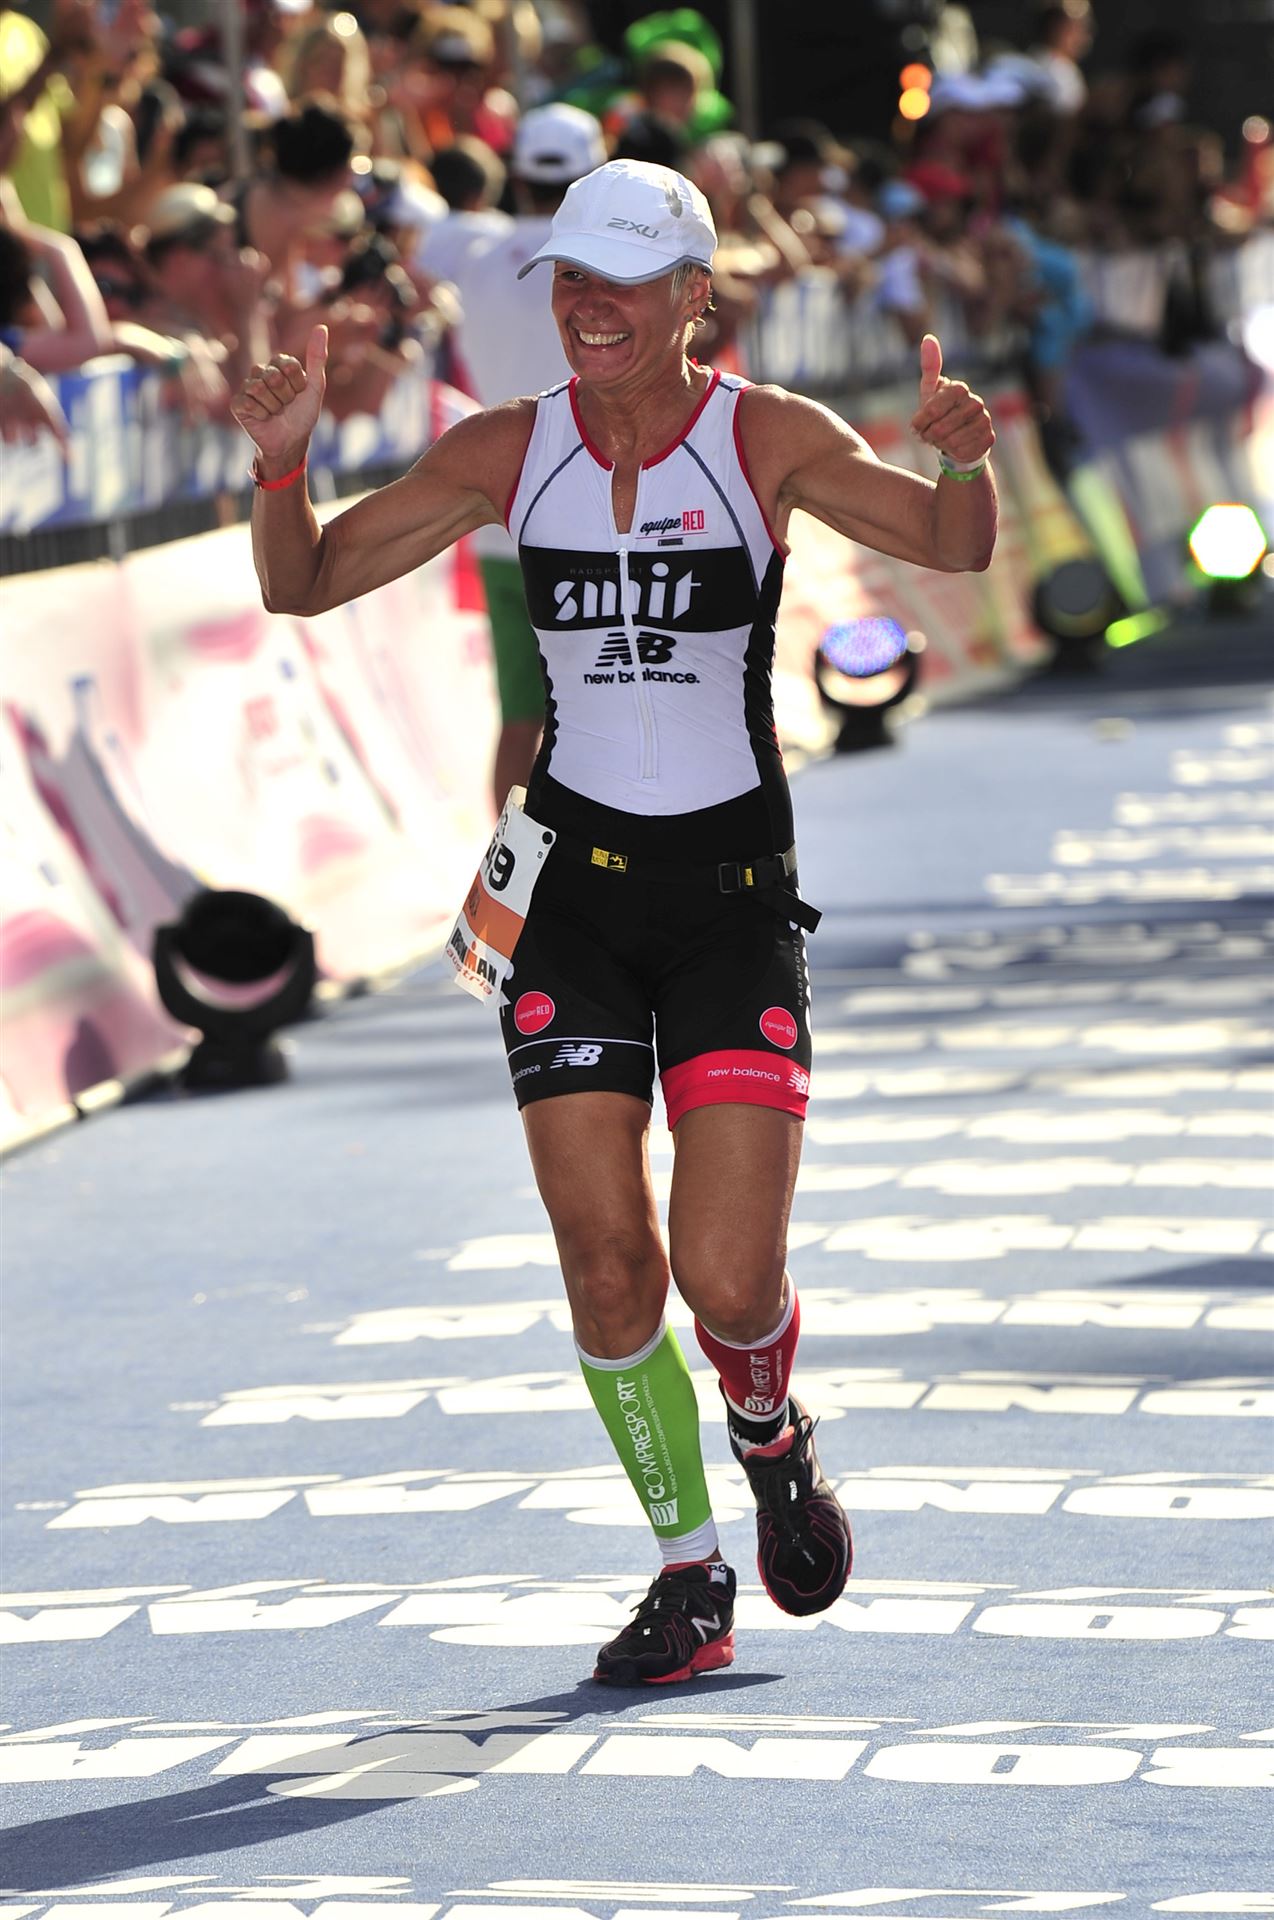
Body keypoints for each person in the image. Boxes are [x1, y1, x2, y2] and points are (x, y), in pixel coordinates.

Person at [232, 158, 996, 1687]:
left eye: (621, 282)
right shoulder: (504, 449)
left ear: (692, 297)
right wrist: (280, 466)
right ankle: (687, 1574)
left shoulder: (764, 435)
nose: (586, 307)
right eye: (569, 279)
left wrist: (963, 462)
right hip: (567, 901)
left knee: (727, 1281)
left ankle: (768, 1427)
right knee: (602, 1266)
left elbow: (954, 546)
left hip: (727, 904)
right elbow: (305, 583)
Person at [444, 101, 606, 807]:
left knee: (520, 716)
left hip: (499, 513)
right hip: (593, 517)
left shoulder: (477, 259)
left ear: (517, 176)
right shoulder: (602, 265)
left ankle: (513, 865)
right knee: (601, 713)